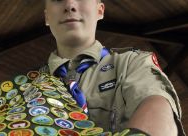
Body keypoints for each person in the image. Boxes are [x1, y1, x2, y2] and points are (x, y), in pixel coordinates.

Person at [41, 0, 186, 135]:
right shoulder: (26, 87)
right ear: (47, 17)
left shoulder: (132, 62)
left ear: (100, 10)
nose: (70, 5)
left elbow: (159, 111)